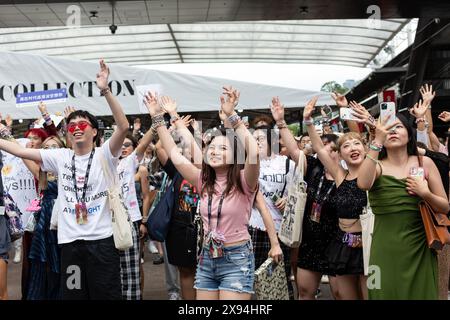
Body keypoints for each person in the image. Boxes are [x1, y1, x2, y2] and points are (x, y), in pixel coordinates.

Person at [0, 60, 129, 300]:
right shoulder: (60, 156)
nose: (76, 128)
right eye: (71, 126)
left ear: (94, 132)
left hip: (101, 243)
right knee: (73, 296)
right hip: (70, 245)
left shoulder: (105, 154)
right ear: (67, 134)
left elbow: (123, 126)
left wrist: (105, 90)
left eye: (82, 124)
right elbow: (19, 151)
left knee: (106, 296)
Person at [147, 86, 260, 300]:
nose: (215, 152)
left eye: (223, 148)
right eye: (213, 148)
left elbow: (253, 151)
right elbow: (173, 152)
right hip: (207, 257)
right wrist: (157, 118)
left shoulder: (245, 181)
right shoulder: (203, 181)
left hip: (236, 258)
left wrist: (232, 115)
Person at [357, 110, 449, 300]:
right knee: (383, 293)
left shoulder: (426, 163)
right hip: (384, 249)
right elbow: (363, 184)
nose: (393, 131)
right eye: (388, 128)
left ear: (409, 134)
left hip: (420, 247)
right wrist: (376, 141)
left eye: (398, 127)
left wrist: (425, 193)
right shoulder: (377, 165)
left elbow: (444, 207)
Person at [302, 96, 368, 300]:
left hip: (369, 246)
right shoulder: (340, 175)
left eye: (357, 144)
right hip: (344, 246)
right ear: (340, 154)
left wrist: (347, 108)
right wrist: (308, 121)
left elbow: (373, 140)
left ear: (366, 149)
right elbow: (320, 149)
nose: (353, 148)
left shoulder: (375, 171)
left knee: (371, 296)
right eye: (346, 146)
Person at [117, 131, 153, 300]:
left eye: (127, 145)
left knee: (133, 267)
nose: (123, 148)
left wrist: (144, 221)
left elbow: (146, 196)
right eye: (120, 145)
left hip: (132, 219)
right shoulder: (107, 163)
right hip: (110, 221)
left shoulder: (137, 166)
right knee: (114, 268)